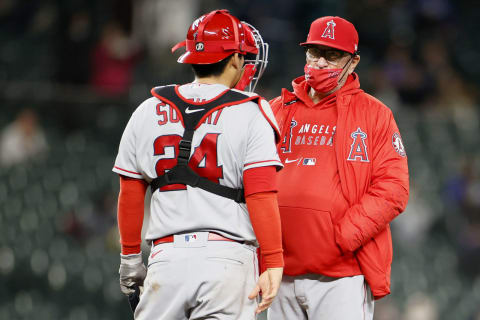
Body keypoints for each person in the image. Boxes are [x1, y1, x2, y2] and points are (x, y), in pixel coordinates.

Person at [112, 9, 284, 319]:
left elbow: (131, 191)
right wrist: (273, 261)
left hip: (167, 258)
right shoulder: (252, 112)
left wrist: (130, 258)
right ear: (235, 59)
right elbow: (261, 195)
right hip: (228, 261)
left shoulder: (148, 110)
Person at [267, 16, 410, 319]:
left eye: (332, 55)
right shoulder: (277, 110)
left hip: (341, 275)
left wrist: (343, 235)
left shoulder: (375, 114)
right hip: (281, 273)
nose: (319, 62)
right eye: (313, 52)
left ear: (353, 61)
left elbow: (394, 188)